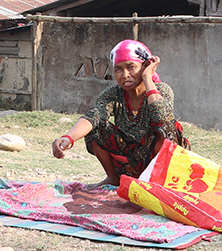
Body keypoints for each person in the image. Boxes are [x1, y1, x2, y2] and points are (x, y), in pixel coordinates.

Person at [51, 39, 188, 189]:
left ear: (145, 67)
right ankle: (113, 178)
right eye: (118, 69)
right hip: (131, 156)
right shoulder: (113, 94)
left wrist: (148, 78)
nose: (125, 75)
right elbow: (94, 116)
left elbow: (162, 117)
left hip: (159, 161)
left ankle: (157, 183)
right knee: (96, 127)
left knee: (167, 126)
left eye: (131, 67)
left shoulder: (162, 90)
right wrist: (67, 138)